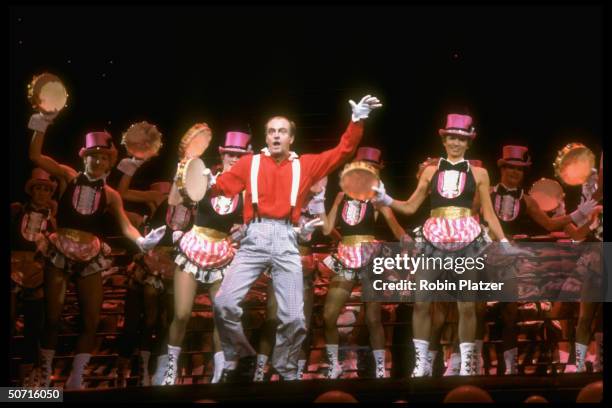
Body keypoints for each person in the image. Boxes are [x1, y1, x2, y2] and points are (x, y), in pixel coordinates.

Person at [209, 95, 382, 382]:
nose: (276, 136)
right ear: (266, 136)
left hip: (286, 238)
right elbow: (219, 190)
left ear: (291, 138)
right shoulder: (248, 164)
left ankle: (286, 368)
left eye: (282, 131)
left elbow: (343, 151)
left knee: (295, 318)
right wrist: (198, 180)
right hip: (254, 238)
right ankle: (239, 353)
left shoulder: (306, 166)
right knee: (224, 302)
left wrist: (356, 121)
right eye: (272, 131)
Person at [372, 113, 529, 376]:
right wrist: (386, 199)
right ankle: (421, 364)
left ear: (468, 143)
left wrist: (503, 243)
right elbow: (411, 206)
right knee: (422, 302)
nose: (456, 142)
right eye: (452, 138)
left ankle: (467, 364)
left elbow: (488, 214)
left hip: (466, 237)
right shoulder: (430, 171)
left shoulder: (479, 173)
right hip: (434, 236)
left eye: (461, 139)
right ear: (444, 140)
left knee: (466, 305)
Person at [27, 112, 165, 389]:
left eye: (104, 158)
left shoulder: (111, 194)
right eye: (94, 156)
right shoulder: (68, 176)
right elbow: (36, 156)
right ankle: (44, 374)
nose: (99, 161)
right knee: (52, 317)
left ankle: (76, 377)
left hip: (90, 253)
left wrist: (142, 241)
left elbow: (126, 226)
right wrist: (42, 122)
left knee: (91, 317)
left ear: (110, 163)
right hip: (61, 248)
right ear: (84, 157)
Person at [158, 129, 251, 385]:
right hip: (194, 247)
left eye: (239, 155)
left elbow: (252, 223)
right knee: (182, 314)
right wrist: (183, 168)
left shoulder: (246, 190)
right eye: (230, 153)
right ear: (222, 155)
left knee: (222, 315)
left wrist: (242, 233)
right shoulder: (205, 175)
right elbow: (174, 200)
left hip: (223, 254)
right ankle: (170, 369)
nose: (234, 158)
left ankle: (220, 372)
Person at [321, 147, 405, 379]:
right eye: (363, 167)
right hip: (345, 254)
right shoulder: (341, 196)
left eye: (372, 168)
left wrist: (414, 246)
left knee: (372, 318)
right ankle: (333, 365)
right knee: (329, 315)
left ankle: (379, 369)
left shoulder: (377, 200)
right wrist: (318, 205)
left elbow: (395, 226)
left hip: (369, 254)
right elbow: (328, 229)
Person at [253, 177, 329, 381]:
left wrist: (320, 203)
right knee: (272, 317)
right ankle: (260, 371)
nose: (319, 185)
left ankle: (296, 372)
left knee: (301, 322)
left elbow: (329, 229)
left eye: (323, 183)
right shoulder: (286, 197)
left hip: (304, 265)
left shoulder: (317, 204)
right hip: (282, 258)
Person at [11, 168, 58, 386]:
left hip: (38, 272)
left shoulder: (53, 220)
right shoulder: (16, 210)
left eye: (46, 189)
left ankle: (27, 380)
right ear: (32, 191)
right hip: (12, 268)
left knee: (33, 326)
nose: (42, 193)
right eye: (38, 188)